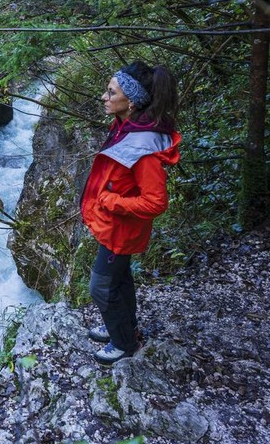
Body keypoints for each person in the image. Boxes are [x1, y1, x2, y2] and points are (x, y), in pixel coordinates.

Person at [80, 61, 181, 364]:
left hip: (121, 229)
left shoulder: (143, 147)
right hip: (114, 226)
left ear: (132, 100)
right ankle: (123, 328)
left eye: (111, 92)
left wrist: (110, 202)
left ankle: (124, 343)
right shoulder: (127, 126)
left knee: (100, 287)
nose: (104, 97)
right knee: (120, 279)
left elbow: (156, 202)